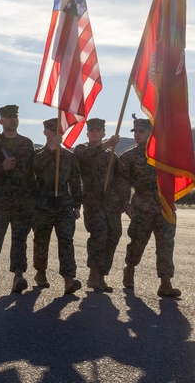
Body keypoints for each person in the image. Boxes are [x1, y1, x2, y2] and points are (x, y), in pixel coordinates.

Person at [117, 116, 182, 298]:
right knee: (137, 243)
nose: (137, 134)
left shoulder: (164, 155)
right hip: (142, 207)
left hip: (164, 206)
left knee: (166, 245)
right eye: (135, 131)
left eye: (141, 132)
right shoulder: (128, 157)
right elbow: (123, 183)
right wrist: (125, 203)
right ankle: (129, 268)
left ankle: (165, 283)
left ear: (150, 133)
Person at [0, 104, 36, 293]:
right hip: (0, 200)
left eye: (15, 116)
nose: (13, 120)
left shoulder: (27, 144)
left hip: (23, 200)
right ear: (1, 121)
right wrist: (1, 167)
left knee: (20, 239)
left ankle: (18, 275)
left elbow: (33, 172)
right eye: (9, 117)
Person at [31, 118, 83, 293]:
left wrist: (77, 204)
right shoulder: (38, 154)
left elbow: (75, 182)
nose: (55, 135)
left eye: (57, 131)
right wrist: (51, 148)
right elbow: (35, 167)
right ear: (45, 132)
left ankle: (69, 279)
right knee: (41, 240)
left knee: (66, 240)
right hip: (43, 203)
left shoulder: (69, 157)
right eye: (51, 131)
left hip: (64, 204)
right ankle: (40, 273)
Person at [73, 117, 123, 293]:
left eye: (98, 130)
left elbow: (118, 181)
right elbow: (89, 156)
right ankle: (93, 275)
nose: (94, 132)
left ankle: (102, 275)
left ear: (103, 133)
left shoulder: (112, 156)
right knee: (99, 234)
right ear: (87, 134)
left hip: (110, 202)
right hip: (92, 199)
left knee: (114, 234)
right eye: (91, 130)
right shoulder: (81, 149)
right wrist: (108, 144)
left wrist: (123, 203)